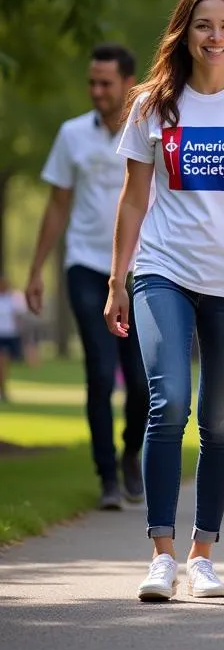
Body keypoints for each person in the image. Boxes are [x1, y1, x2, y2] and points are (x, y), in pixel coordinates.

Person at [103, 0, 224, 602]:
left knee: (219, 417)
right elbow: (132, 200)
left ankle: (203, 552)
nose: (217, 37)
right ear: (183, 32)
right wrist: (119, 279)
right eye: (204, 25)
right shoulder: (152, 105)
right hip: (163, 271)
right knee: (169, 401)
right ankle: (161, 553)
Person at [24, 44, 149, 509]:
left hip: (140, 268)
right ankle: (107, 479)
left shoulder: (149, 126)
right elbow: (57, 204)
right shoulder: (72, 134)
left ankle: (130, 455)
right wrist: (36, 269)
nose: (96, 91)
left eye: (106, 83)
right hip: (84, 265)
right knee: (99, 371)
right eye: (91, 83)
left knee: (139, 381)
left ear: (127, 82)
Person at [0, 276, 26, 403]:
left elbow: (19, 318)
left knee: (5, 364)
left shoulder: (13, 299)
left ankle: (3, 388)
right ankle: (3, 390)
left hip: (10, 335)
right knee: (2, 362)